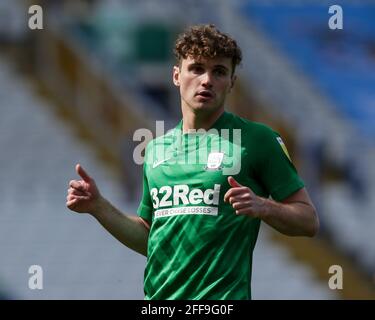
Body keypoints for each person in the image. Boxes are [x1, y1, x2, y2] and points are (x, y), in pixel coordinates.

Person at [66, 24, 319, 300]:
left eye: (219, 71)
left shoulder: (257, 140)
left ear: (232, 82)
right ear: (177, 75)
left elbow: (308, 221)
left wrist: (264, 207)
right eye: (197, 68)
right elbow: (151, 239)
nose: (207, 80)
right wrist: (98, 207)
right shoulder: (155, 150)